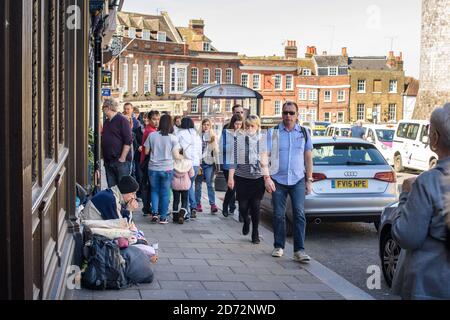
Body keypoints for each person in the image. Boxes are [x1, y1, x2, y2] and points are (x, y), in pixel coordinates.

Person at [391, 103, 450, 300]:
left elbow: (407, 236)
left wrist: (405, 196)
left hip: (431, 285)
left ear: (434, 138)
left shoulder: (428, 182)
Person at [264, 101, 313, 262]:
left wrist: (309, 180)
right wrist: (267, 178)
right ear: (282, 114)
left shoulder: (304, 132)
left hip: (298, 179)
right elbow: (264, 155)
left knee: (299, 214)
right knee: (279, 215)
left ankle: (299, 251)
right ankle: (279, 246)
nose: (288, 116)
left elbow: (308, 157)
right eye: (285, 113)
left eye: (291, 113)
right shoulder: (273, 132)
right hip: (278, 179)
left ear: (297, 115)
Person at [227, 115, 268, 244]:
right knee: (243, 207)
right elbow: (233, 160)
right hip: (242, 178)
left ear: (257, 127)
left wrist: (267, 178)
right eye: (248, 126)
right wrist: (230, 177)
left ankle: (255, 233)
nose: (250, 128)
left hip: (257, 179)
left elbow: (265, 162)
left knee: (256, 207)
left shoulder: (262, 141)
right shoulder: (238, 140)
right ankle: (246, 220)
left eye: (253, 126)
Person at [144, 114, 182, 224]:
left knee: (154, 191)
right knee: (165, 193)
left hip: (153, 168)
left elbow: (146, 151)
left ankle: (155, 214)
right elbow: (176, 155)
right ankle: (163, 217)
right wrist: (182, 156)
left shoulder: (152, 135)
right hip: (167, 169)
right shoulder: (173, 138)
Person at [101, 98, 133, 188]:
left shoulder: (122, 120)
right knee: (112, 189)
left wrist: (122, 158)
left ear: (108, 107)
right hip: (109, 161)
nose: (102, 110)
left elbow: (128, 140)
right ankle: (115, 203)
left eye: (103, 107)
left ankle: (124, 203)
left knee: (123, 188)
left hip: (120, 162)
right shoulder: (107, 122)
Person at [176, 117, 202, 218]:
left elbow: (176, 149)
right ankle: (193, 207)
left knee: (186, 187)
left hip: (185, 163)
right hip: (195, 163)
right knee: (189, 185)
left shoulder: (179, 134)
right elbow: (200, 151)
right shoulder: (197, 135)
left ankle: (185, 210)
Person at [221, 113, 244, 217]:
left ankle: (236, 208)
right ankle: (225, 205)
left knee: (239, 188)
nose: (238, 126)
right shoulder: (226, 132)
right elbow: (221, 148)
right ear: (232, 123)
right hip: (228, 164)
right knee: (231, 187)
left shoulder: (243, 134)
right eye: (236, 124)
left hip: (240, 165)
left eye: (240, 124)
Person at [195, 119, 219, 214]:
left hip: (209, 163)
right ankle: (198, 204)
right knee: (198, 185)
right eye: (204, 124)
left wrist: (217, 165)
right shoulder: (197, 136)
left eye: (208, 125)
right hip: (199, 163)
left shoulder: (213, 137)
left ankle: (212, 204)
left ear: (210, 126)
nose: (206, 126)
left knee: (210, 184)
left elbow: (216, 151)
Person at [139, 111, 159, 217]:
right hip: (148, 160)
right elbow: (148, 150)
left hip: (146, 160)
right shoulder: (151, 132)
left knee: (147, 185)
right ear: (149, 120)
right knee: (148, 185)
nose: (156, 121)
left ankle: (147, 207)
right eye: (154, 119)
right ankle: (147, 207)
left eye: (158, 119)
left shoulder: (151, 130)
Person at [171, 158, 195, 224]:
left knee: (176, 200)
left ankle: (175, 217)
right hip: (185, 185)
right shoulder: (188, 163)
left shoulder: (173, 162)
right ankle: (181, 215)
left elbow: (170, 173)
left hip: (175, 185)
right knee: (184, 201)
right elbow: (192, 174)